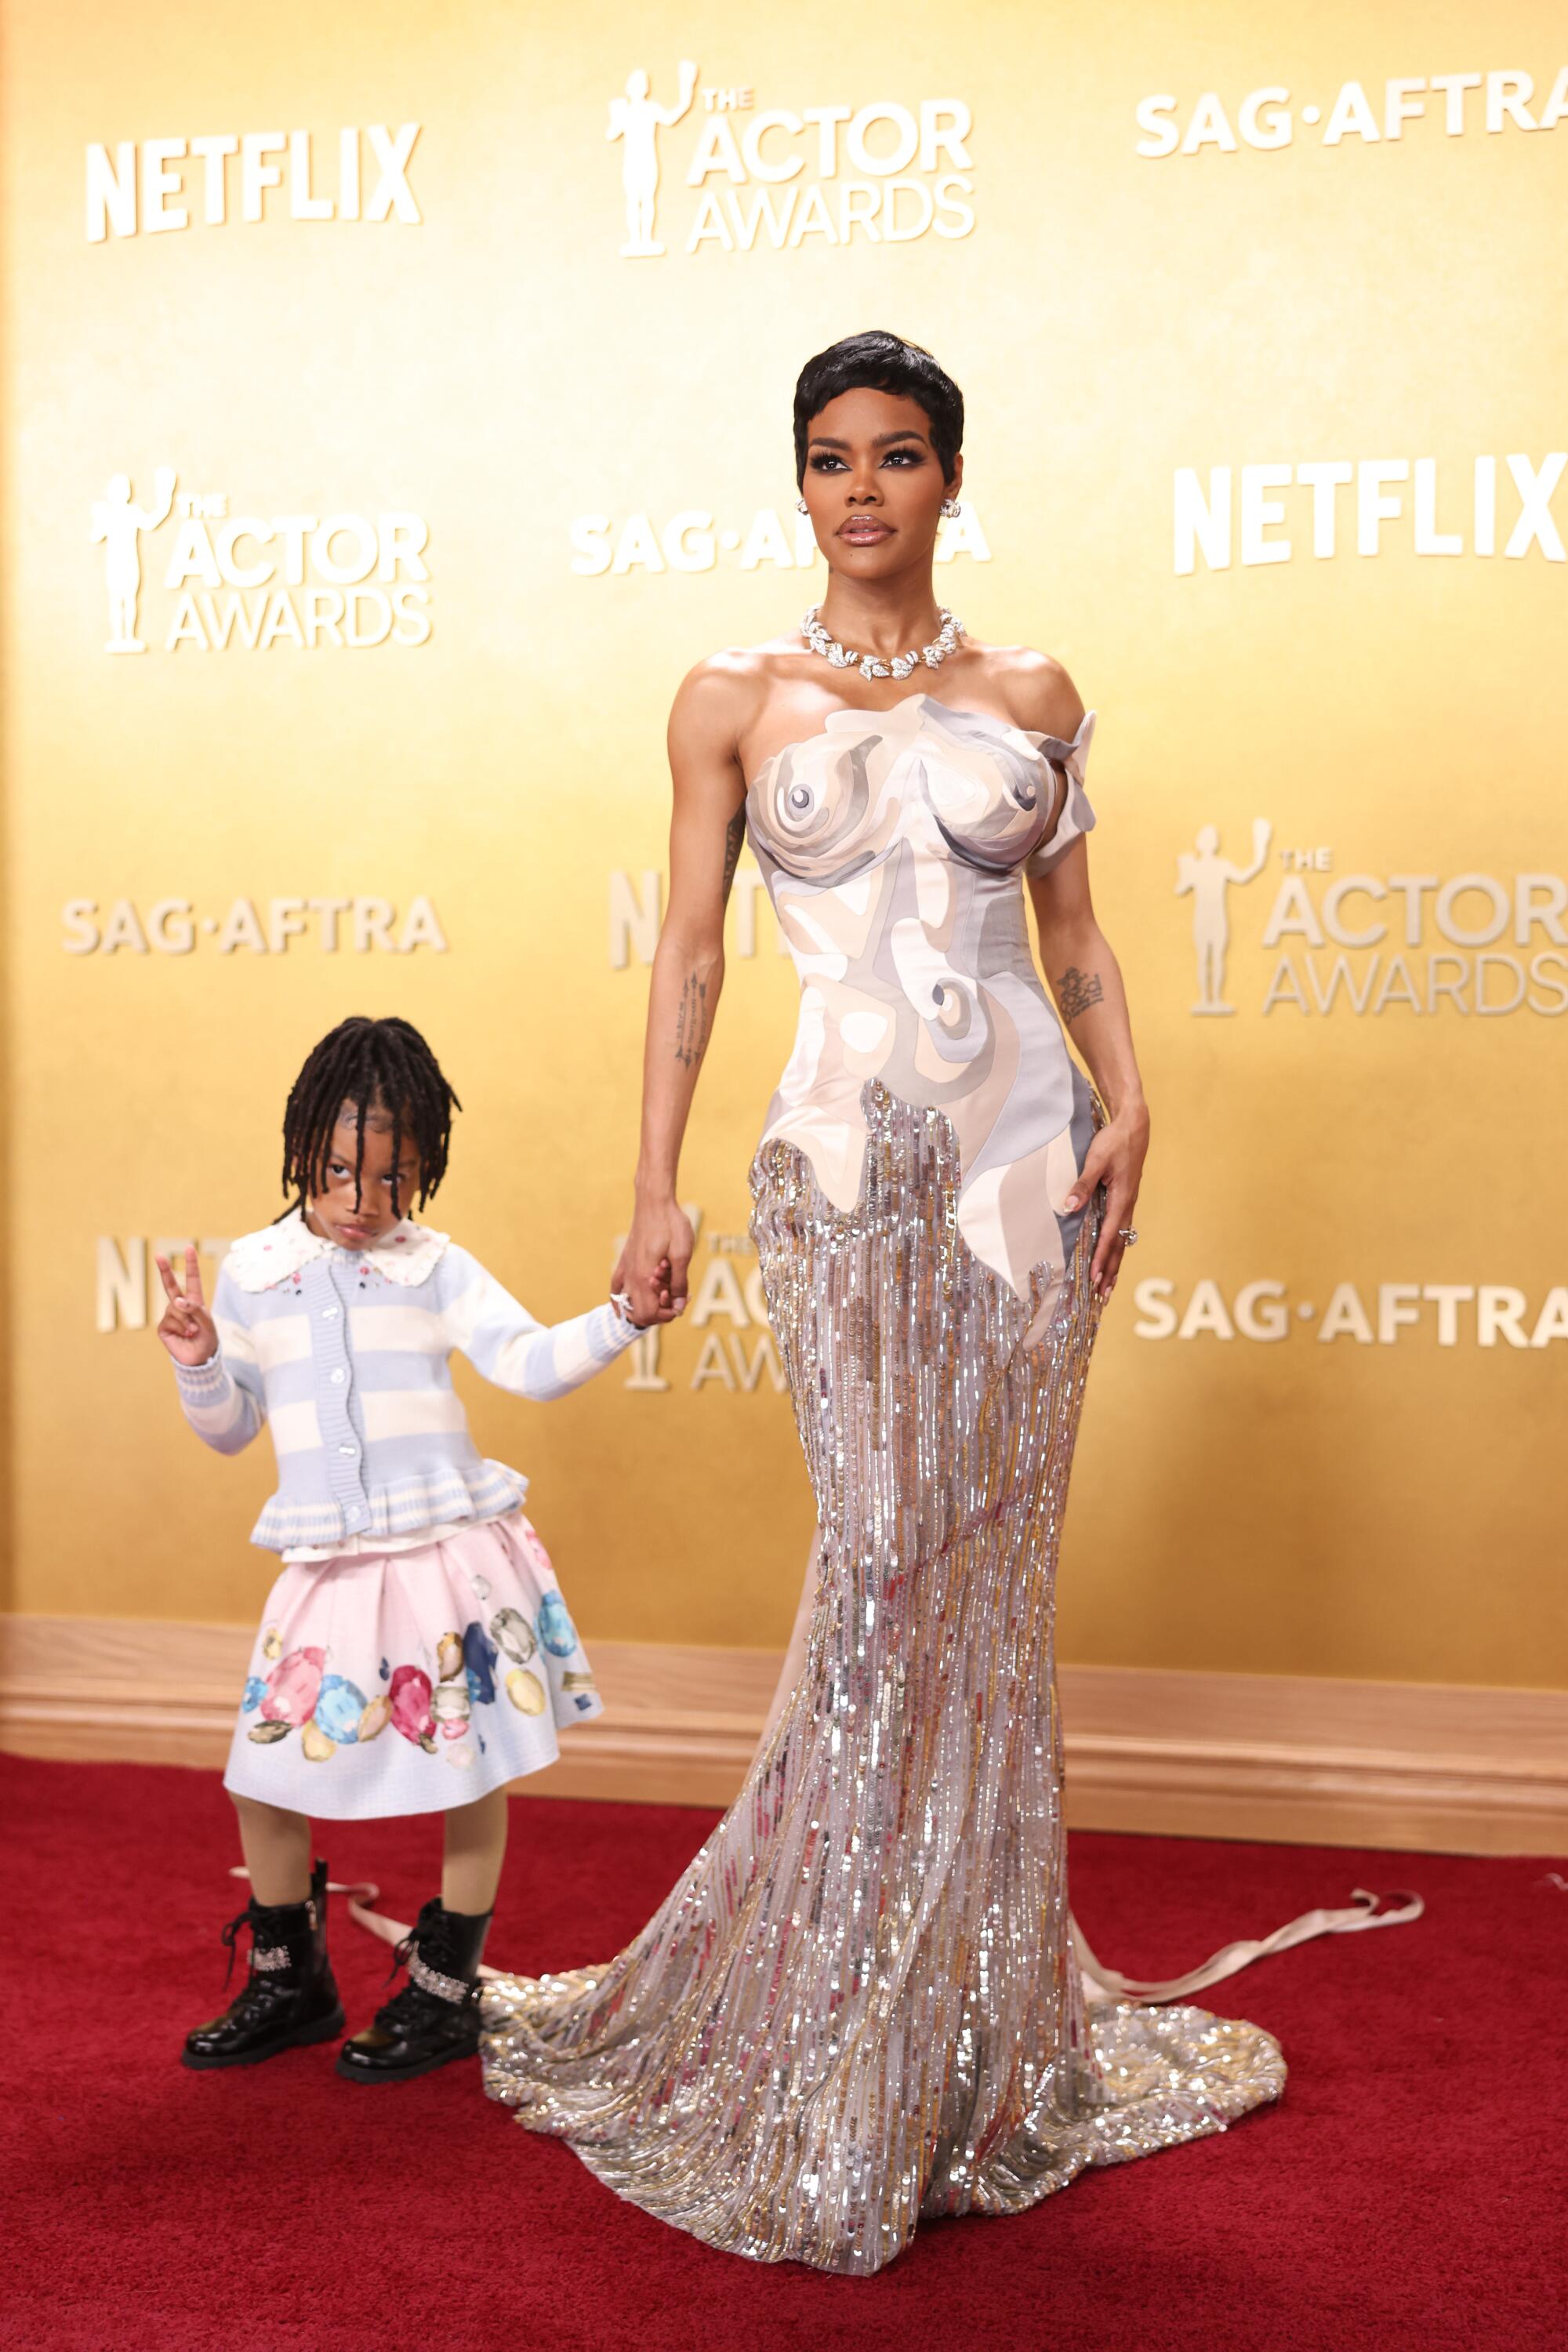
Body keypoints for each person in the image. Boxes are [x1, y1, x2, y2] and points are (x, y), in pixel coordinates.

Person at [478, 333, 1381, 2271]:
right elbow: (696, 965)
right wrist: (650, 1183)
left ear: (951, 477)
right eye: (828, 459)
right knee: (886, 1565)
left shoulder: (1036, 691)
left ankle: (958, 2043)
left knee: (981, 1588)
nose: (862, 488)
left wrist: (1137, 1100)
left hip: (1024, 1187)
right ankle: (831, 2036)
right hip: (831, 1183)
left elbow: (1072, 935)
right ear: (796, 485)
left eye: (897, 456)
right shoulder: (726, 700)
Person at [158, 1014, 655, 2084]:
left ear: (423, 1168)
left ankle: (445, 1992)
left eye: (389, 1179)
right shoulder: (254, 1271)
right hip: (331, 1562)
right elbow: (231, 1427)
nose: (358, 1201)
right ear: (303, 1153)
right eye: (336, 1172)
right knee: (264, 1771)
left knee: (470, 1766)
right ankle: (294, 1981)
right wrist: (201, 1358)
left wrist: (620, 1316)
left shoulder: (434, 1266)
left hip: (443, 1554)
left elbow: (525, 1362)